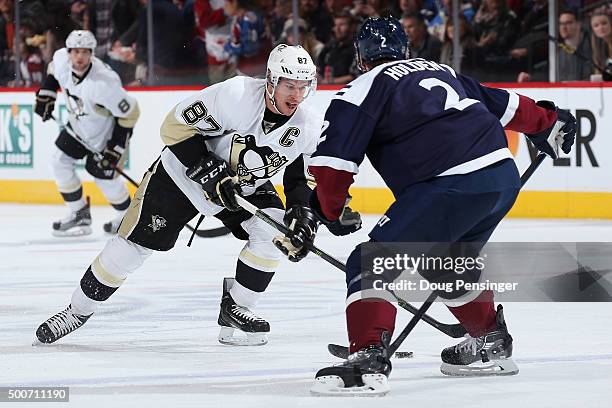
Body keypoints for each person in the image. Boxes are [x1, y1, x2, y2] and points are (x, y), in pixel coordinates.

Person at [277, 17, 576, 395]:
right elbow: (507, 103)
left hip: (447, 184)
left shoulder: (361, 88)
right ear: (406, 49)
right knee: (443, 262)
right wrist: (549, 123)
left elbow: (332, 165)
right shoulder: (443, 71)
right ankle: (492, 342)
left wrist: (329, 210)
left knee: (370, 261)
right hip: (500, 178)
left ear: (360, 57)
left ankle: (368, 357)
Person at [35, 44, 324, 348]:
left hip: (240, 188)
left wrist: (303, 215)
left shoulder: (309, 124)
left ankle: (237, 308)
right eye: (289, 85)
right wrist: (209, 170)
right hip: (183, 176)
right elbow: (173, 127)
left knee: (275, 230)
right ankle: (77, 310)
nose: (296, 95)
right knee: (130, 249)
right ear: (271, 81)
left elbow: (301, 178)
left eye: (303, 87)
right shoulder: (236, 96)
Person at [34, 30, 140, 237]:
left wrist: (115, 148)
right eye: (75, 52)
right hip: (78, 128)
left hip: (104, 137)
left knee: (103, 178)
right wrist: (47, 93)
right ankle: (79, 213)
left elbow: (131, 113)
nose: (79, 57)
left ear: (92, 53)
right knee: (59, 162)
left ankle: (128, 216)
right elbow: (53, 72)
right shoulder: (61, 60)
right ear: (69, 52)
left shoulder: (104, 83)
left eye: (85, 52)